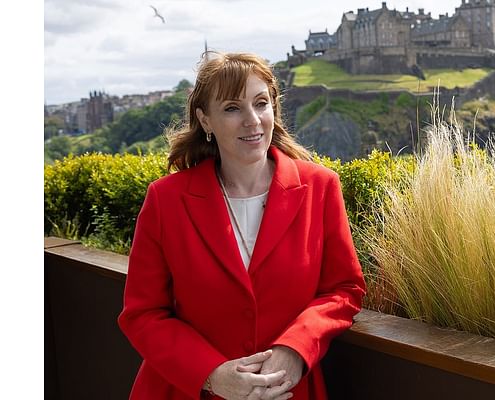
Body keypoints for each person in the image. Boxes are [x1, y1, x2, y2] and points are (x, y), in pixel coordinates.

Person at [118, 51, 366, 400]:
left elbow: (344, 290)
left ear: (274, 108)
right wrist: (211, 375)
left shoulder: (321, 187)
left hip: (288, 391)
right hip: (190, 392)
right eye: (232, 108)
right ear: (205, 121)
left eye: (261, 103)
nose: (252, 120)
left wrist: (297, 349)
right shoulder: (165, 200)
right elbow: (142, 314)